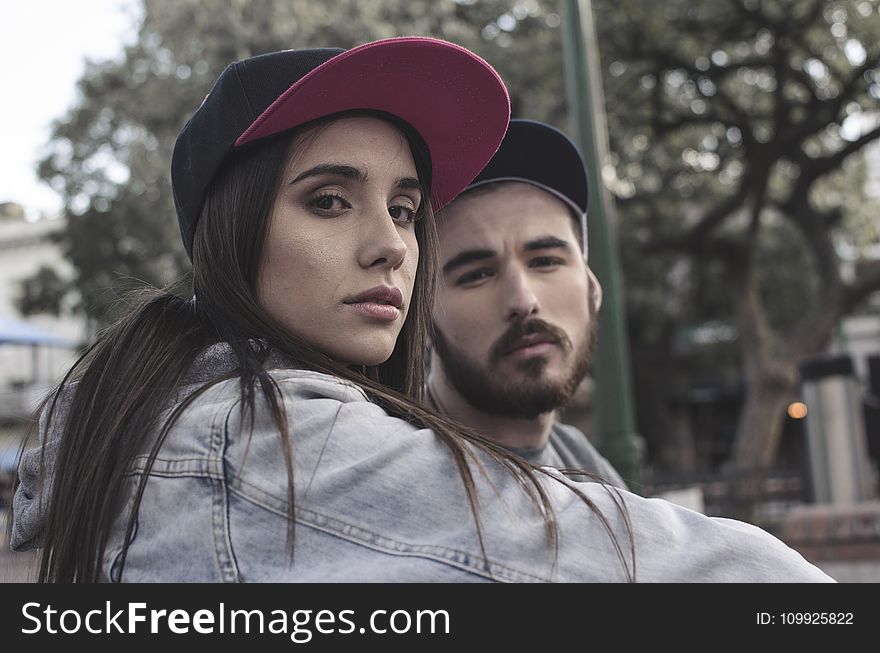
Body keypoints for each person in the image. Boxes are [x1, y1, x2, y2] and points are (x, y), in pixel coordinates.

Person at [11, 37, 833, 583]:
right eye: (330, 200)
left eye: (405, 210)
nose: (391, 246)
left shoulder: (168, 401)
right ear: (235, 231)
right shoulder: (266, 437)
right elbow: (703, 576)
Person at [427, 119, 626, 489]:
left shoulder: (590, 471)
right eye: (475, 275)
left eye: (545, 261)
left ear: (592, 289)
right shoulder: (392, 464)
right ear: (417, 321)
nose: (523, 301)